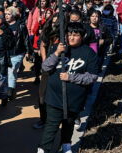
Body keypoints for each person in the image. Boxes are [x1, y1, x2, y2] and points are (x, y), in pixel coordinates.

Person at [37, 22, 98, 153]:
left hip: (74, 99)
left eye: (75, 35)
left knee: (68, 124)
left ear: (82, 36)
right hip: (53, 97)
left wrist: (71, 77)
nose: (71, 38)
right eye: (69, 34)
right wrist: (57, 53)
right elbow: (45, 67)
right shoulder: (58, 48)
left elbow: (92, 77)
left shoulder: (89, 53)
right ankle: (43, 149)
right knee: (51, 126)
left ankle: (66, 146)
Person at [5, 6, 32, 100]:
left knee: (11, 71)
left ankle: (10, 91)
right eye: (6, 14)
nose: (6, 16)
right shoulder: (3, 26)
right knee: (6, 72)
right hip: (5, 53)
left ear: (13, 15)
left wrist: (29, 51)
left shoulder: (20, 26)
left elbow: (26, 39)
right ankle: (7, 90)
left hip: (17, 53)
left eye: (8, 14)